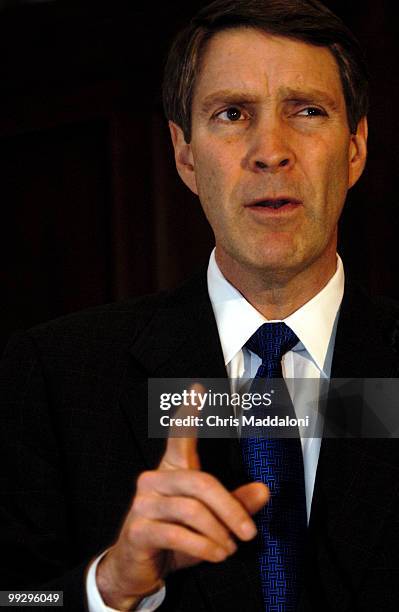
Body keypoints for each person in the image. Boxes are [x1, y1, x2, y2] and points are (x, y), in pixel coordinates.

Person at [1, 0, 399, 610]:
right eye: (232, 113)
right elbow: (17, 599)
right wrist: (109, 584)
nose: (271, 151)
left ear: (355, 149)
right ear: (185, 154)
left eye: (308, 111)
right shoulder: (55, 372)